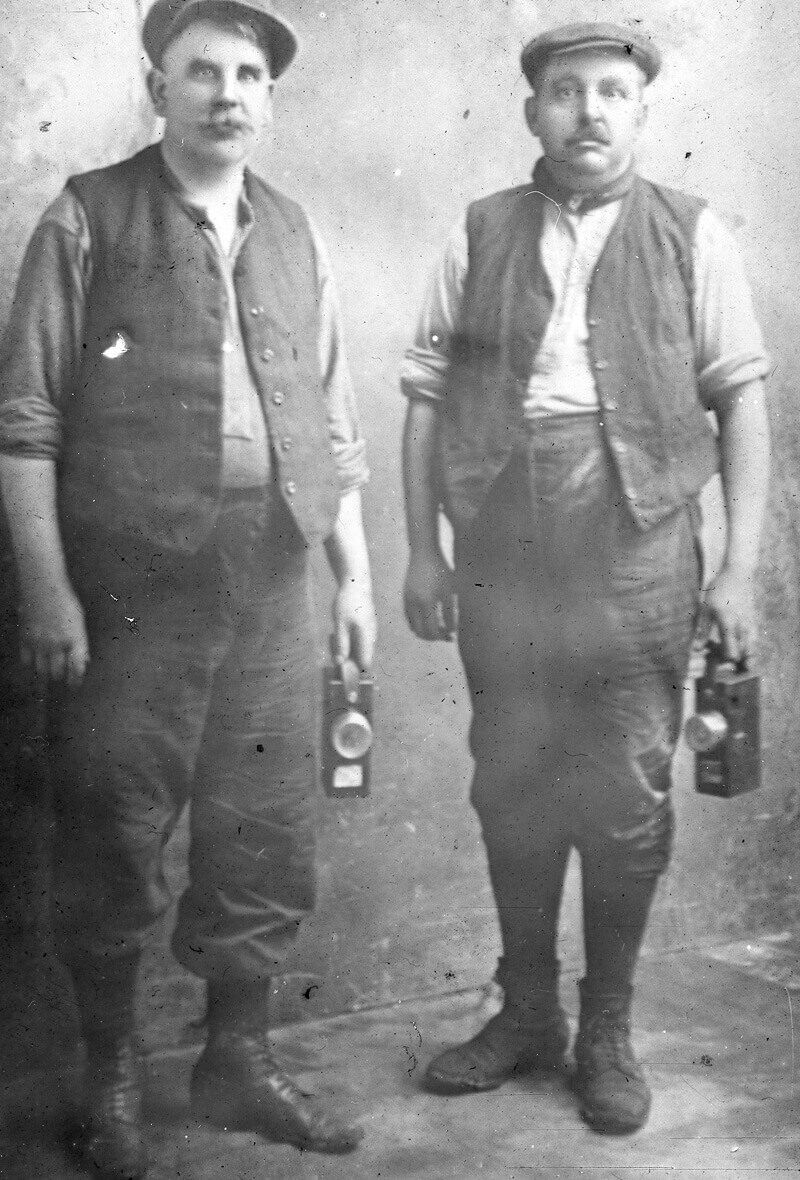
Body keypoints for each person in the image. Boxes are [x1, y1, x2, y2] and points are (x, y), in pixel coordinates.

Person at [0, 1, 376, 1175]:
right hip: (128, 593)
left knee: (262, 830)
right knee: (114, 825)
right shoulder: (85, 217)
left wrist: (353, 574)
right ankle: (109, 1076)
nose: (227, 92)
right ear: (155, 86)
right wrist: (50, 596)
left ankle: (237, 1060)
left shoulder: (294, 229)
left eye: (249, 73)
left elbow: (331, 416)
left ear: (268, 96)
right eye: (201, 70)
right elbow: (25, 424)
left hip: (270, 580)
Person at [401, 21, 770, 1136]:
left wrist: (740, 566)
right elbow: (423, 393)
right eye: (566, 92)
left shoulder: (690, 234)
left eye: (613, 92)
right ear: (532, 113)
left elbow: (739, 401)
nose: (590, 112)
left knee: (621, 787)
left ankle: (602, 1026)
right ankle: (524, 1014)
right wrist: (421, 548)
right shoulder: (478, 233)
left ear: (641, 112)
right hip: (505, 537)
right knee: (510, 774)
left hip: (639, 538)